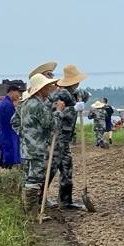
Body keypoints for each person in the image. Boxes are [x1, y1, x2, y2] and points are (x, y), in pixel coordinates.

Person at [47, 63, 88, 209]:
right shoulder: (60, 94)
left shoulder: (74, 92)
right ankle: (39, 198)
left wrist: (81, 100)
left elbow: (85, 95)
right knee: (51, 168)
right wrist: (73, 109)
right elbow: (54, 112)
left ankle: (66, 200)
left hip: (65, 138)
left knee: (67, 167)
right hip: (57, 136)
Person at [19, 73, 58, 211]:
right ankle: (32, 212)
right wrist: (58, 112)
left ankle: (27, 208)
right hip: (37, 147)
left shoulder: (25, 104)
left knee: (28, 177)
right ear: (41, 89)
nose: (49, 90)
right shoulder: (38, 105)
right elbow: (51, 124)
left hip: (26, 146)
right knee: (35, 179)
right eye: (47, 87)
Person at [0, 80, 23, 168]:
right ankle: (5, 179)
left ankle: (1, 177)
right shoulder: (8, 105)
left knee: (4, 159)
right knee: (8, 162)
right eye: (18, 93)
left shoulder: (3, 103)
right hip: (8, 136)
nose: (19, 96)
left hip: (3, 135)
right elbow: (13, 122)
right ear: (12, 91)